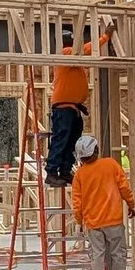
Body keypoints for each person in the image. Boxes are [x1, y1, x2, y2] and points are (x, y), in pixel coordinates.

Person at [69, 134, 135, 270]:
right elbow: (124, 187)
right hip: (114, 220)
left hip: (93, 223)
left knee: (98, 256)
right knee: (118, 254)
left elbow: (77, 202)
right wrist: (131, 204)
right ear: (96, 150)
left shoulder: (80, 175)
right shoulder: (111, 164)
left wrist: (79, 222)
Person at [46, 24, 113, 187]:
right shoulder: (65, 54)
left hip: (72, 109)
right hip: (64, 109)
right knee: (62, 139)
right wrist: (105, 37)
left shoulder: (75, 61)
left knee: (71, 141)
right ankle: (52, 172)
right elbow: (86, 50)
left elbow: (86, 57)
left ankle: (65, 170)